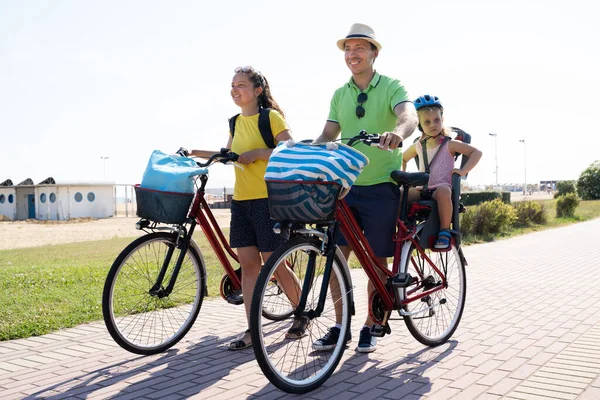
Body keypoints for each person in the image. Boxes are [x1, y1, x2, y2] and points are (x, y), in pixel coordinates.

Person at [312, 23, 418, 353]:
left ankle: (374, 323)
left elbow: (408, 116)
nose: (352, 54)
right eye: (348, 48)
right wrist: (307, 151)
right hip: (345, 187)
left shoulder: (391, 86)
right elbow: (328, 134)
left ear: (374, 52)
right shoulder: (340, 94)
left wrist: (398, 133)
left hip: (380, 185)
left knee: (375, 262)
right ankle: (341, 325)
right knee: (334, 259)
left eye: (360, 48)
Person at [183, 66, 303, 350]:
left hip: (268, 200)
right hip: (242, 202)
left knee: (276, 263)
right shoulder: (235, 122)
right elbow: (230, 155)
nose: (235, 90)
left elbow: (291, 150)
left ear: (257, 91)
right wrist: (194, 152)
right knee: (249, 266)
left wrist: (260, 154)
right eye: (232, 85)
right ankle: (252, 328)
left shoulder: (270, 117)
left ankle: (302, 313)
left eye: (241, 85)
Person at [402, 94, 482, 247]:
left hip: (440, 189)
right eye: (427, 122)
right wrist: (404, 175)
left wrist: (462, 171)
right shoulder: (418, 146)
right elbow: (403, 158)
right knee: (399, 193)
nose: (433, 124)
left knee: (445, 190)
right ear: (419, 125)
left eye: (437, 120)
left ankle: (444, 231)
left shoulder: (449, 144)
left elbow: (476, 153)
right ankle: (404, 227)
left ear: (442, 120)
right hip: (422, 188)